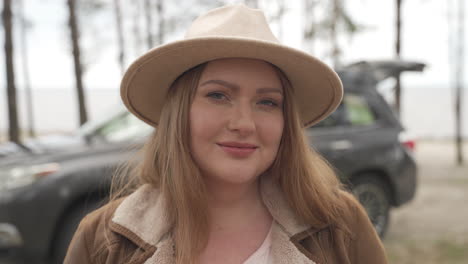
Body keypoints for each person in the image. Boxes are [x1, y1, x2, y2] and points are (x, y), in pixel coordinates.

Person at [64, 4, 388, 264]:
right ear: (179, 113)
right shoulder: (105, 238)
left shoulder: (340, 224)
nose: (244, 123)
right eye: (218, 96)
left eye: (267, 102)